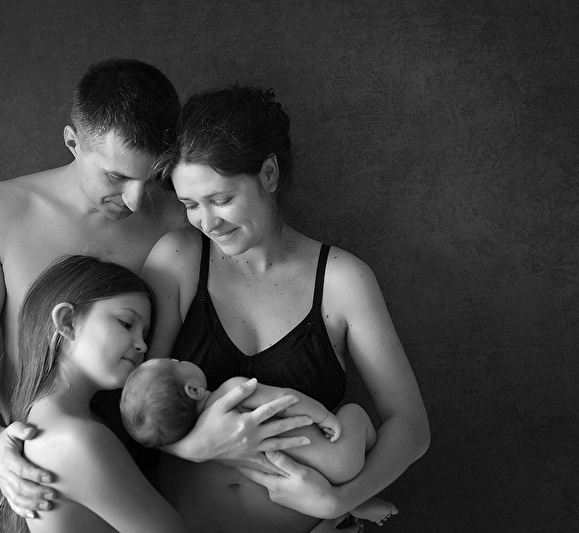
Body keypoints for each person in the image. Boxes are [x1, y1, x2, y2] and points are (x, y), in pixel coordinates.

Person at [0, 59, 318, 531]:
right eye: (116, 177)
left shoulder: (183, 219)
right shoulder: (0, 214)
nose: (137, 200)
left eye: (153, 177)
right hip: (32, 476)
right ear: (73, 143)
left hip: (149, 475)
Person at [140, 85, 431, 533]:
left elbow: (409, 425)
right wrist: (191, 447)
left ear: (269, 173)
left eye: (221, 200)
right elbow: (133, 398)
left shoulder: (343, 281)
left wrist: (339, 501)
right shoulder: (177, 259)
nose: (207, 222)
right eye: (190, 205)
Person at [0, 255, 191, 532]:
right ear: (67, 321)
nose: (142, 346)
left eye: (145, 334)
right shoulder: (76, 439)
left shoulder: (61, 423)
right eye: (126, 323)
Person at [120, 358, 399, 527]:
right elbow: (286, 399)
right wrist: (324, 416)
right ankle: (355, 495)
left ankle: (353, 503)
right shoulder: (231, 391)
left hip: (293, 499)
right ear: (193, 390)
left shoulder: (189, 447)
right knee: (354, 412)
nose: (179, 359)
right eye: (176, 362)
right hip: (337, 461)